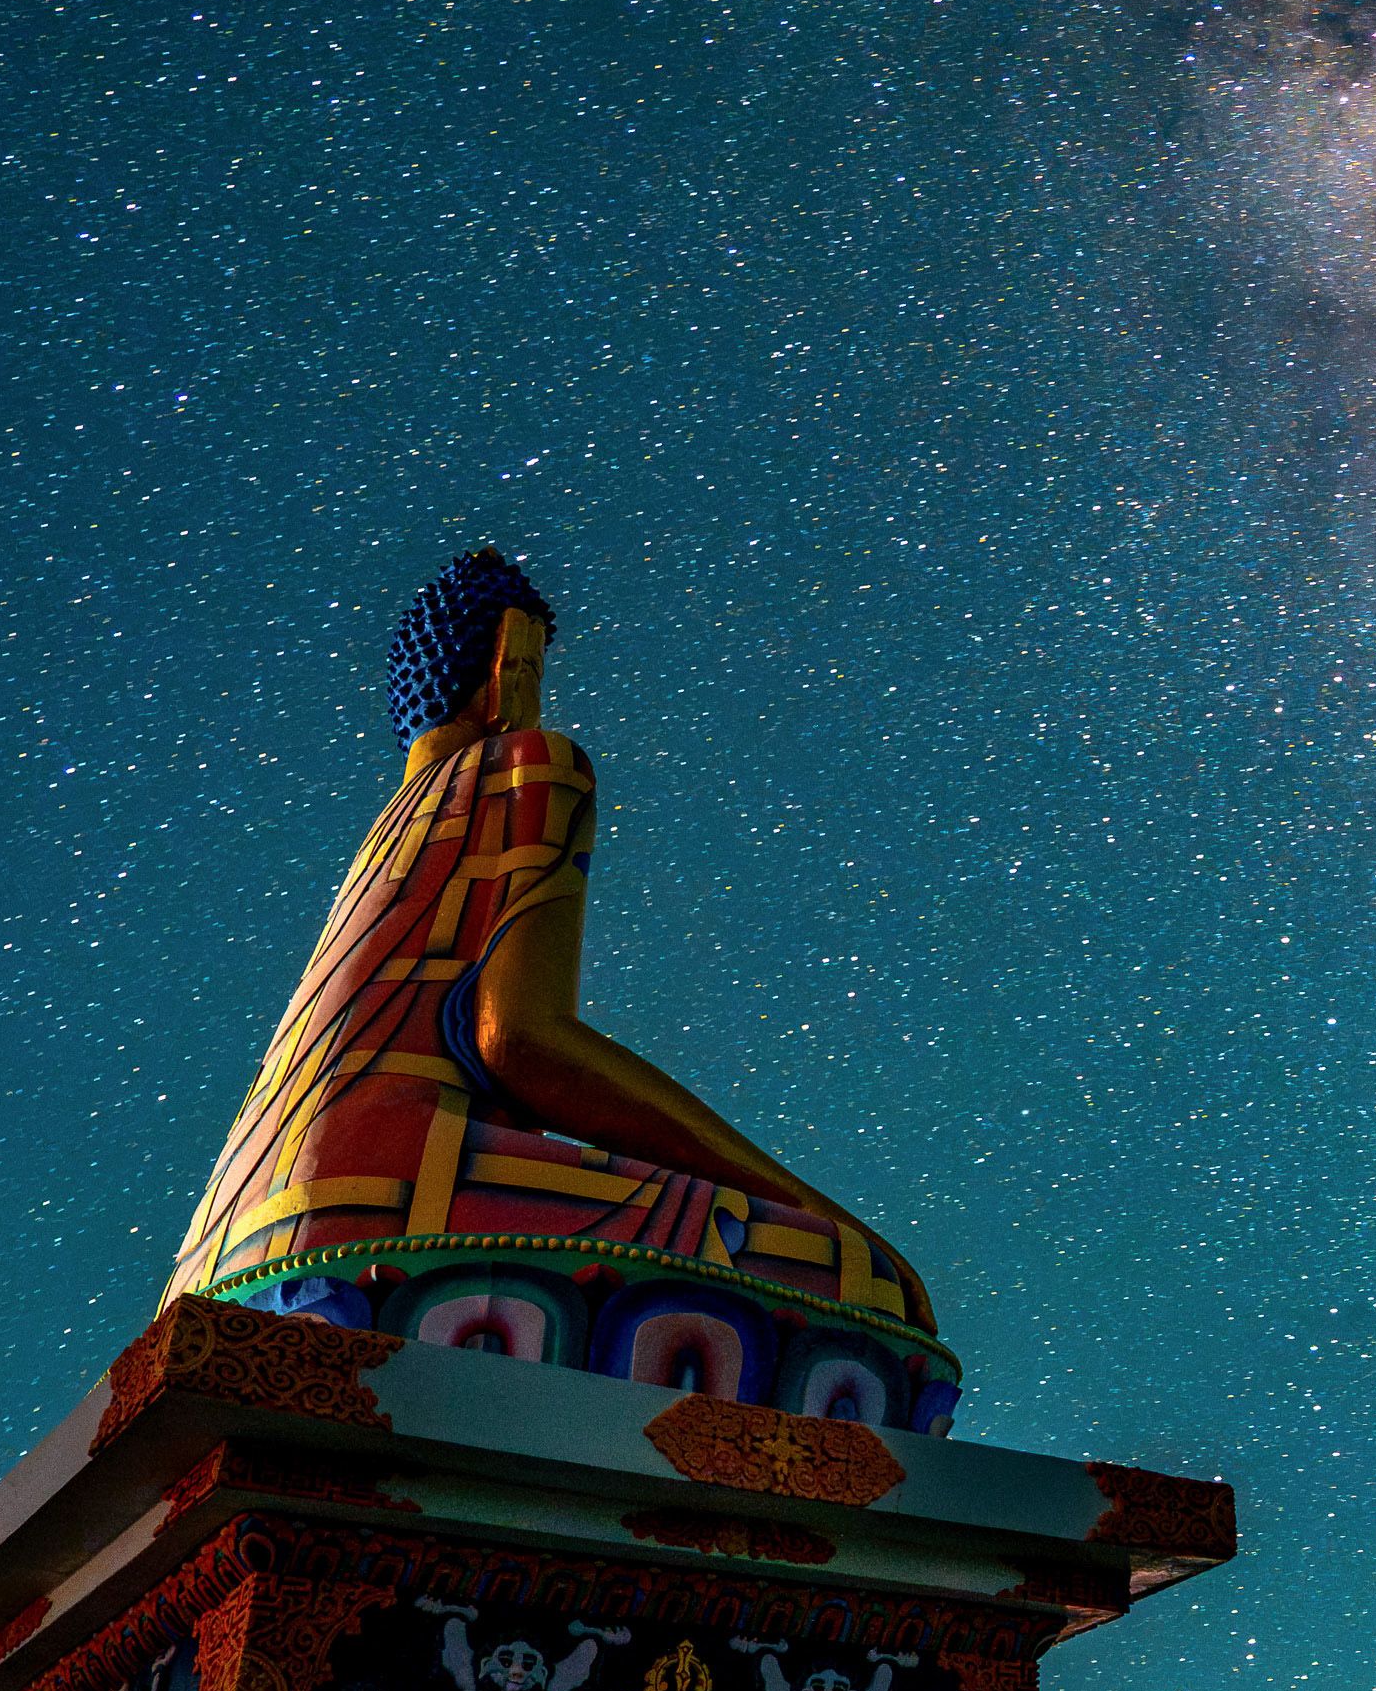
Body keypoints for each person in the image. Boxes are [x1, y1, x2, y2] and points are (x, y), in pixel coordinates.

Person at [167, 549, 928, 1335]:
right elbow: (520, 1038)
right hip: (387, 1190)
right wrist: (801, 1200)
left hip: (224, 1240)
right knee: (858, 1282)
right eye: (530, 660)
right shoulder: (532, 764)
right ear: (506, 662)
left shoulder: (379, 839)